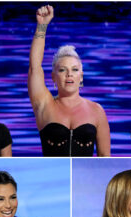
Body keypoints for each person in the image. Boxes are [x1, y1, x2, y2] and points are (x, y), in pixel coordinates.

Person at [28, 5, 110, 156]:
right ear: (53, 77)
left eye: (74, 69)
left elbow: (105, 159)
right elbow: (35, 67)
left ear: (81, 76)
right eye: (62, 70)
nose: (69, 74)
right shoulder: (44, 106)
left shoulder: (97, 111)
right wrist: (42, 26)